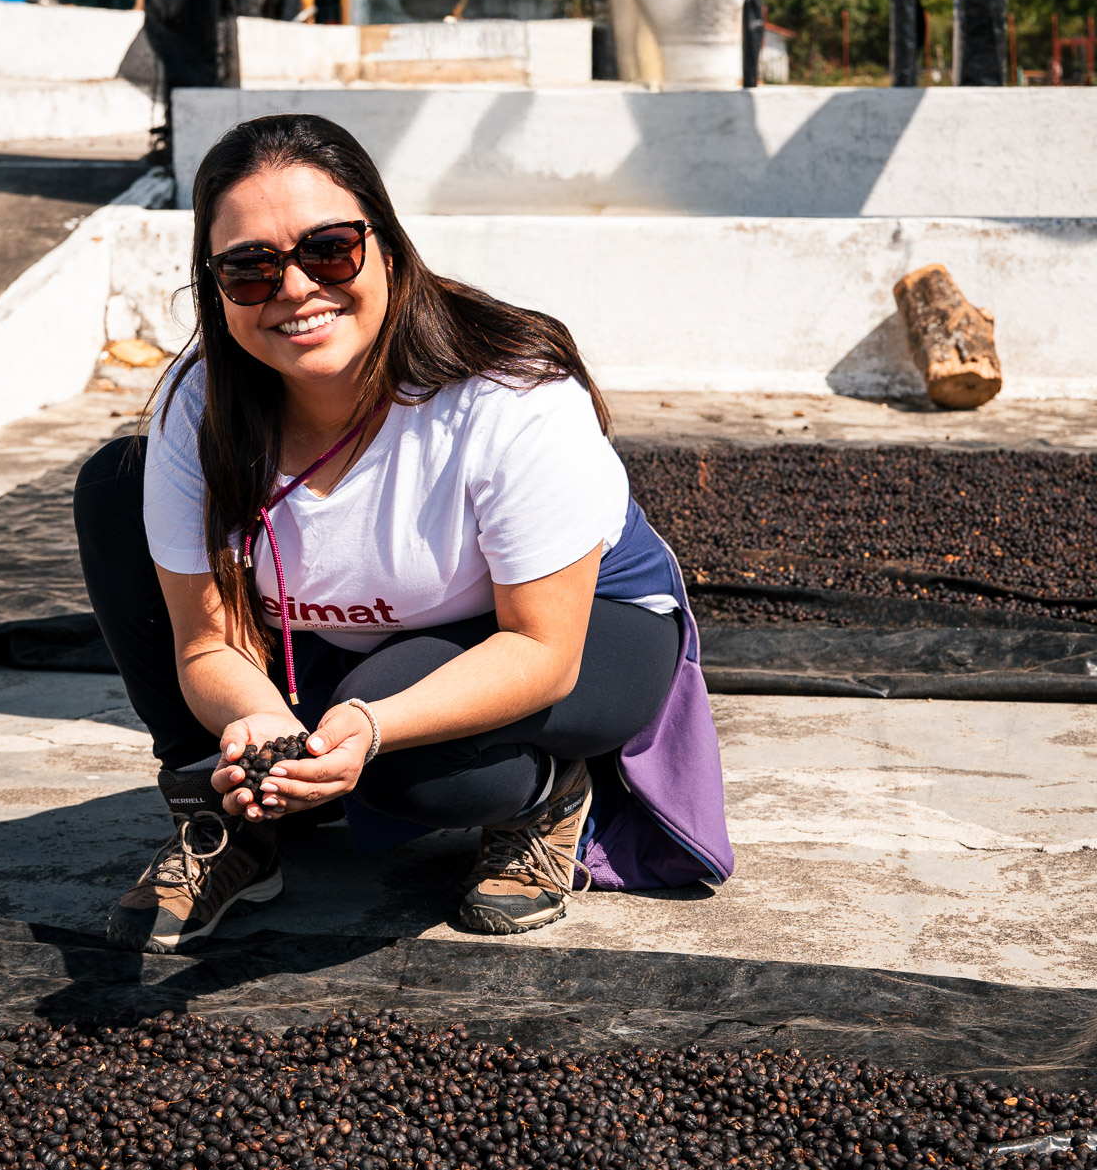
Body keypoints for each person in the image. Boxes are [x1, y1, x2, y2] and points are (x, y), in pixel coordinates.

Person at [73, 113, 733, 954]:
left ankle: (552, 793)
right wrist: (259, 729)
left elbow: (542, 648)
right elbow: (208, 643)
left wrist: (372, 728)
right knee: (112, 487)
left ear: (386, 246)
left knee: (414, 770)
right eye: (251, 267)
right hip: (359, 643)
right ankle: (229, 821)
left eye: (329, 249)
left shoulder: (508, 393)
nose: (296, 289)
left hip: (576, 631)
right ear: (215, 286)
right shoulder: (199, 406)